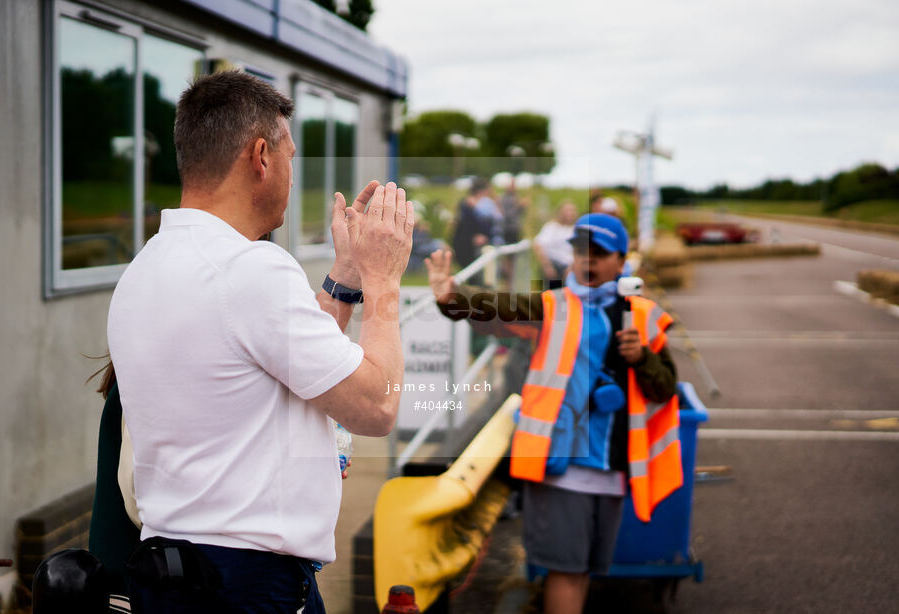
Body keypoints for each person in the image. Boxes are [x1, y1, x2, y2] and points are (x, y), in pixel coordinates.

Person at [107, 70, 413, 613]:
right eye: (291, 156)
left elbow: (274, 356)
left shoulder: (147, 267)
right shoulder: (250, 269)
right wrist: (386, 280)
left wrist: (345, 275)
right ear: (261, 156)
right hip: (247, 583)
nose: (293, 176)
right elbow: (376, 404)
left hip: (174, 574)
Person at [424, 214, 681, 614]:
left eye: (599, 254)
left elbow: (666, 386)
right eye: (581, 251)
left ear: (620, 259)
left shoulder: (642, 315)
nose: (587, 261)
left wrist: (643, 357)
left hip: (612, 471)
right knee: (564, 572)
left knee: (581, 573)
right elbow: (499, 309)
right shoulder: (552, 305)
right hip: (560, 466)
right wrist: (451, 296)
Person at [533, 201, 578, 289]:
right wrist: (547, 266)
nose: (569, 214)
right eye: (567, 211)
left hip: (568, 267)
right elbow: (538, 245)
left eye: (572, 211)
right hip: (551, 264)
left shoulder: (576, 230)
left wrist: (571, 268)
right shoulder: (551, 227)